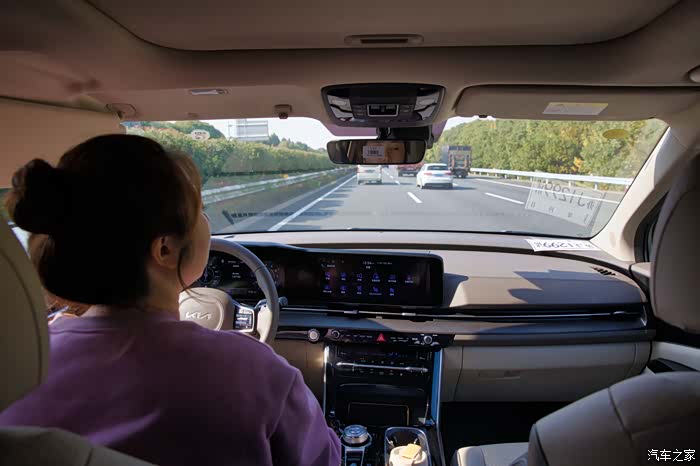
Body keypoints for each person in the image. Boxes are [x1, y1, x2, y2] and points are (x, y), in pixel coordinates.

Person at [0, 135, 341, 466]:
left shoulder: (20, 369)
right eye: (200, 211)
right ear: (165, 249)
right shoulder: (256, 372)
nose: (207, 221)